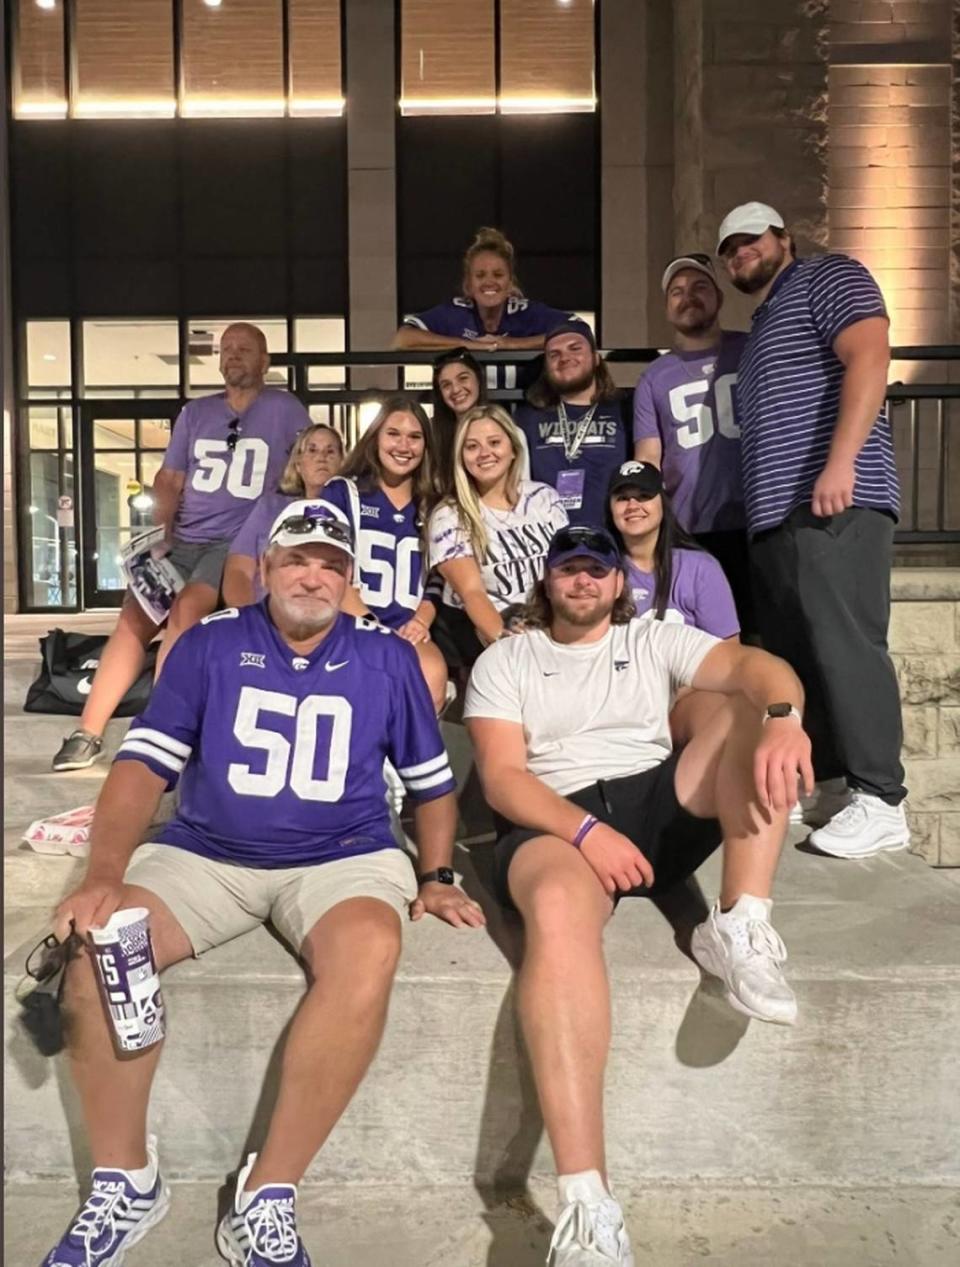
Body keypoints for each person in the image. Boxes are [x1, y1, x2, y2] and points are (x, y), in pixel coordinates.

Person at [42, 501, 485, 1267]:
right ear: (267, 568)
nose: (312, 575)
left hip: (343, 853)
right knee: (97, 952)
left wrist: (437, 872)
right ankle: (127, 1177)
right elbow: (142, 767)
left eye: (330, 564)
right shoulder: (209, 645)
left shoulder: (386, 658)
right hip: (207, 850)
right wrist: (103, 876)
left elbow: (431, 785)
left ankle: (268, 1191)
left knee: (371, 950)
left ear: (348, 579)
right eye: (297, 560)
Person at [464, 523, 813, 1265]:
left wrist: (785, 719)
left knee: (746, 707)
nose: (584, 581)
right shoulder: (509, 658)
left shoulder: (655, 638)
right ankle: (588, 1203)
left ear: (620, 583)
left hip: (656, 801)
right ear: (547, 582)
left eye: (598, 570)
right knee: (555, 914)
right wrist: (588, 833)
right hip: (556, 817)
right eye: (570, 570)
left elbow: (759, 664)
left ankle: (742, 923)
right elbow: (501, 777)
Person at [717, 200, 908, 858]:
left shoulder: (828, 277)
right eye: (729, 249)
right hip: (779, 517)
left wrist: (841, 463)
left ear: (783, 237)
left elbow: (870, 356)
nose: (740, 253)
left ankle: (881, 795)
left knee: (846, 642)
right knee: (802, 652)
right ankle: (831, 784)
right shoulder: (767, 319)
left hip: (834, 501)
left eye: (750, 240)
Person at [52, 323, 310, 773]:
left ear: (265, 361)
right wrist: (160, 536)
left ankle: (159, 727)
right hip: (184, 536)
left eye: (244, 349)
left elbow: (306, 465)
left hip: (235, 538)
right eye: (226, 349)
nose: (233, 356)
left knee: (186, 611)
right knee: (134, 619)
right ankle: (87, 731)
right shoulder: (196, 412)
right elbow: (170, 479)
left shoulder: (284, 408)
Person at [632, 254, 754, 635]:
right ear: (666, 306)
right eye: (677, 292)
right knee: (703, 639)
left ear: (719, 296)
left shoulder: (751, 349)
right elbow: (649, 456)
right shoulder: (655, 376)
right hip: (691, 528)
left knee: (762, 631)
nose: (688, 297)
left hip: (757, 522)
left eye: (700, 287)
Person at [321, 397, 449, 713]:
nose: (404, 445)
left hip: (408, 628)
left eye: (415, 437)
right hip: (350, 625)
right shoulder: (343, 492)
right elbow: (330, 569)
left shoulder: (433, 503)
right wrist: (370, 626)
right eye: (394, 433)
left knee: (432, 678)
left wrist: (422, 620)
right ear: (375, 436)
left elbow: (439, 574)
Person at [427, 404, 568, 668]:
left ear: (513, 449)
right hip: (490, 640)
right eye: (472, 447)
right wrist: (507, 646)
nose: (484, 453)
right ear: (461, 457)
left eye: (494, 442)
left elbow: (566, 573)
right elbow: (472, 593)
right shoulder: (449, 515)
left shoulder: (544, 498)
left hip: (555, 633)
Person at [392, 227, 584, 384]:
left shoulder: (526, 312)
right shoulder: (456, 312)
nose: (489, 282)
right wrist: (470, 346)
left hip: (522, 416)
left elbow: (581, 330)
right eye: (480, 275)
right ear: (468, 284)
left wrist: (511, 345)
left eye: (498, 275)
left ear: (510, 283)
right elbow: (402, 339)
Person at [606, 460, 739, 639]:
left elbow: (729, 654)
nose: (633, 505)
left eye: (644, 495)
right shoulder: (601, 572)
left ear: (663, 502)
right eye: (622, 498)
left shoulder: (701, 569)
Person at [515, 322, 631, 528]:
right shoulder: (526, 418)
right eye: (554, 354)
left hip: (611, 539)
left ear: (596, 358)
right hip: (546, 540)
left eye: (575, 348)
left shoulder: (626, 411)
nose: (565, 358)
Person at [222, 422, 345, 607]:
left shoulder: (352, 513)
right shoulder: (270, 507)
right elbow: (239, 569)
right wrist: (247, 619)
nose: (321, 458)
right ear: (298, 464)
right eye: (312, 450)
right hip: (263, 617)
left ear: (342, 462)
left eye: (330, 452)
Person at [430, 347, 488, 494]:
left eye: (463, 378)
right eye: (446, 385)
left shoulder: (508, 432)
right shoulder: (432, 436)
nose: (455, 389)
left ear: (478, 380)